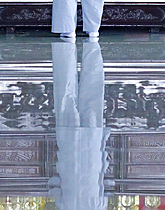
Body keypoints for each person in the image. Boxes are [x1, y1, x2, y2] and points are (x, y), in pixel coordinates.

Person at [51, 40, 108, 210]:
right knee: (87, 107)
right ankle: (87, 47)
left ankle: (75, 48)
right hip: (85, 158)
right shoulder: (95, 206)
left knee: (71, 104)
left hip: (78, 157)